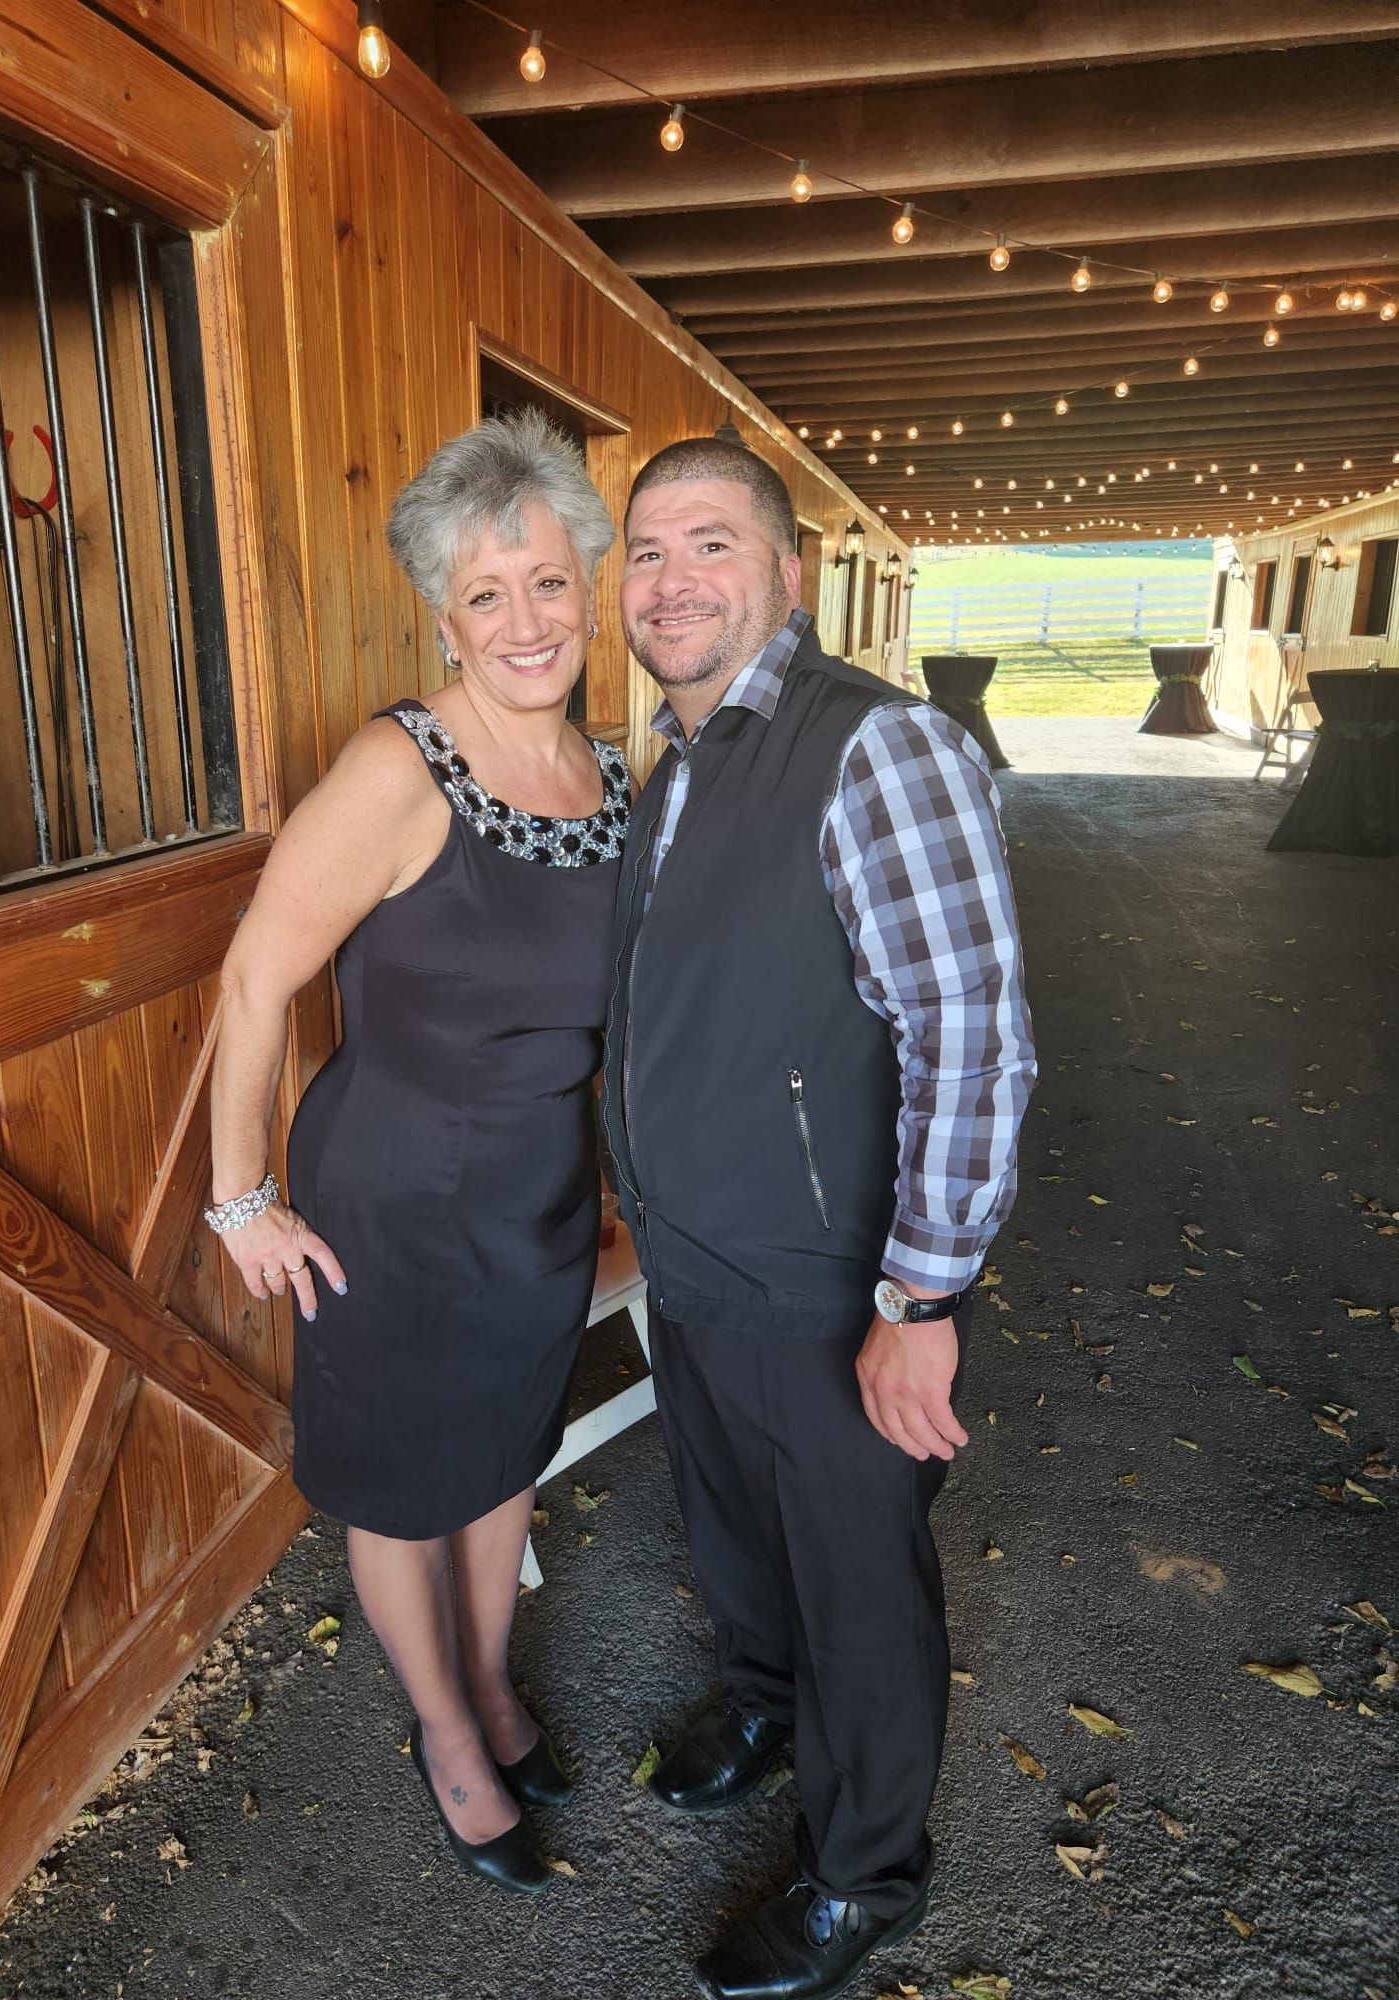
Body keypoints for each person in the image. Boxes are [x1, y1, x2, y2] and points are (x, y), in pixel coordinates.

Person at [601, 437, 1035, 1999]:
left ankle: (866, 1874)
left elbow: (972, 1033)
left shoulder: (877, 750)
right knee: (732, 1527)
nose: (671, 580)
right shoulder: (673, 763)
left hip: (837, 1281)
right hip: (700, 1261)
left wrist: (919, 1306)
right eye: (647, 551)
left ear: (787, 571)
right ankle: (766, 1702)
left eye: (709, 545)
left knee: (858, 1581)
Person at [207, 410, 630, 1897]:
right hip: (389, 1195)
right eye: (485, 595)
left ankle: (497, 1678)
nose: (525, 620)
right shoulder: (400, 769)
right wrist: (239, 1197)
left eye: (547, 582)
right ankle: (449, 1730)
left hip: (536, 1198)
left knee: (504, 1448)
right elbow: (256, 977)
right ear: (439, 615)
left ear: (587, 580)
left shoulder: (605, 771)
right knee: (398, 1480)